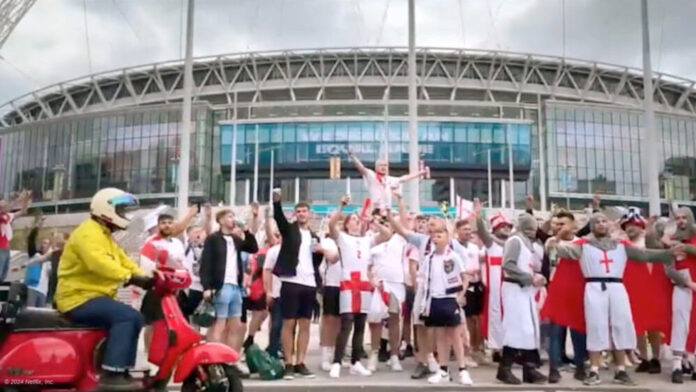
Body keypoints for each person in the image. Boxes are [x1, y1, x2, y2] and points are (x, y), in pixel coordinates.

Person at [547, 212, 682, 386]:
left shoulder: (621, 245)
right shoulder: (583, 245)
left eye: (604, 221)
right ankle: (594, 371)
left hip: (617, 288)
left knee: (621, 326)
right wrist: (555, 242)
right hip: (594, 288)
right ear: (592, 226)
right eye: (597, 222)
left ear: (609, 225)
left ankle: (621, 370)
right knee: (595, 326)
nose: (601, 224)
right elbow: (563, 251)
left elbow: (645, 255)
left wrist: (668, 253)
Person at [56, 188, 152, 391]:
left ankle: (123, 370)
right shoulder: (88, 233)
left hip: (92, 296)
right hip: (77, 298)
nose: (124, 215)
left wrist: (146, 275)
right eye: (121, 210)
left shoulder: (104, 235)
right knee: (128, 317)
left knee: (134, 317)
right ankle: (113, 374)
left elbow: (123, 259)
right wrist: (130, 277)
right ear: (107, 210)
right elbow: (98, 263)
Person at [389, 213, 474, 386]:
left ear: (445, 230)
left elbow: (465, 274)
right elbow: (402, 231)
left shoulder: (454, 250)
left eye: (434, 225)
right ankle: (432, 364)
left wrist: (460, 295)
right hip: (429, 295)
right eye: (429, 225)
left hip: (450, 297)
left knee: (455, 334)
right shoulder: (424, 247)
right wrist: (390, 216)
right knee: (430, 329)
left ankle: (462, 369)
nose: (430, 227)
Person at [272, 190, 326, 379]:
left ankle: (300, 362)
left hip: (309, 283)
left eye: (305, 211)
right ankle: (288, 362)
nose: (302, 214)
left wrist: (320, 252)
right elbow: (279, 218)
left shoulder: (315, 237)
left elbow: (317, 261)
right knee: (289, 323)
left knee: (305, 324)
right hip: (291, 281)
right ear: (295, 214)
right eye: (299, 211)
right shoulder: (289, 230)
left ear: (310, 214)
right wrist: (277, 202)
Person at [327, 195, 375, 378]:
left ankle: (356, 361)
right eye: (353, 219)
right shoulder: (343, 238)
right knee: (346, 322)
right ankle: (337, 362)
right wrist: (341, 205)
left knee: (361, 324)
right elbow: (332, 225)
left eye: (358, 220)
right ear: (347, 224)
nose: (357, 222)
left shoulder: (367, 239)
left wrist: (374, 222)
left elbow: (386, 235)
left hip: (363, 284)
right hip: (348, 283)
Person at [496, 214, 548, 385]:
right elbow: (508, 265)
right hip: (514, 289)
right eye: (532, 227)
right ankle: (504, 369)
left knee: (529, 330)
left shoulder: (527, 243)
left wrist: (535, 277)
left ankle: (529, 369)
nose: (534, 231)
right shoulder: (515, 241)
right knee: (515, 329)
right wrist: (529, 278)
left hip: (524, 290)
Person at [200, 208, 259, 355]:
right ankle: (214, 356)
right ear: (221, 220)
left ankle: (230, 357)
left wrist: (247, 231)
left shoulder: (235, 239)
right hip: (221, 285)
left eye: (233, 216)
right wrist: (207, 286)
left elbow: (253, 248)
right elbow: (206, 263)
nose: (233, 219)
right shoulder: (213, 239)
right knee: (219, 323)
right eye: (229, 216)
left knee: (236, 325)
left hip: (235, 286)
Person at [620, 208, 670, 375]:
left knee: (653, 326)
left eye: (633, 225)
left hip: (651, 288)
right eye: (627, 225)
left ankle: (655, 358)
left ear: (641, 226)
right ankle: (644, 358)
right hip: (632, 288)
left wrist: (650, 231)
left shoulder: (647, 242)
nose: (630, 228)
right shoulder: (623, 244)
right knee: (637, 326)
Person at [540, 211, 587, 383]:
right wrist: (557, 241)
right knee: (556, 331)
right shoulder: (551, 242)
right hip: (557, 288)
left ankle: (580, 366)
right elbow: (552, 259)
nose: (559, 228)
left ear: (573, 225)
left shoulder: (581, 243)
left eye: (563, 224)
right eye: (557, 224)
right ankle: (554, 369)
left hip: (577, 288)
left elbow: (575, 254)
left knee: (578, 331)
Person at [139, 213, 187, 351]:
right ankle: (149, 352)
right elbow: (146, 264)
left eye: (170, 222)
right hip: (156, 287)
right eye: (163, 223)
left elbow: (182, 265)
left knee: (173, 322)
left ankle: (167, 352)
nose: (167, 225)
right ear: (158, 226)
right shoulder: (152, 242)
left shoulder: (178, 243)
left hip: (175, 289)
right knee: (152, 322)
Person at [474, 199, 512, 361]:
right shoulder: (491, 244)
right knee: (495, 316)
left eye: (509, 226)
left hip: (511, 288)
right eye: (503, 226)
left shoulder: (513, 243)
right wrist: (478, 215)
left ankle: (509, 347)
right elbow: (482, 231)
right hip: (495, 288)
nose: (506, 229)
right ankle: (497, 348)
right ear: (495, 228)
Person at [663, 207, 696, 383]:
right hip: (683, 287)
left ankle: (692, 361)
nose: (681, 221)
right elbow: (669, 269)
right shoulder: (671, 241)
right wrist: (688, 283)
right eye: (678, 218)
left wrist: (680, 244)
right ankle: (676, 364)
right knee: (680, 324)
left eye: (684, 218)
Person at [348, 150, 427, 212]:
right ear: (376, 167)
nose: (384, 167)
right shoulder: (372, 176)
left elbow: (405, 178)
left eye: (385, 165)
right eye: (381, 165)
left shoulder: (390, 179)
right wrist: (353, 157)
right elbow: (362, 168)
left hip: (387, 211)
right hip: (375, 210)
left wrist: (420, 173)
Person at [453, 219, 484, 368]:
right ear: (457, 230)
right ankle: (464, 352)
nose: (468, 232)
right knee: (463, 320)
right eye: (464, 229)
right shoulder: (453, 246)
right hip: (461, 286)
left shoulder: (474, 247)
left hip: (476, 284)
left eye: (469, 229)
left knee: (474, 318)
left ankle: (474, 349)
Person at [318, 220, 341, 372]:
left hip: (346, 284)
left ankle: (335, 353)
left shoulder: (349, 241)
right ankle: (325, 354)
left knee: (340, 321)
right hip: (331, 284)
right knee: (329, 320)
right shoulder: (327, 241)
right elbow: (333, 258)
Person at [262, 214, 283, 359]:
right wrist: (268, 291)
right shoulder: (273, 251)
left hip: (291, 293)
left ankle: (285, 350)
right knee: (276, 324)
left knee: (289, 326)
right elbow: (267, 271)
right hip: (276, 293)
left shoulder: (296, 249)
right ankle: (273, 351)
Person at [0, 190, 31, 282]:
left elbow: (23, 212)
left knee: (3, 275)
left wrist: (25, 200)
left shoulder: (7, 216)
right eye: (2, 204)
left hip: (6, 249)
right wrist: (19, 199)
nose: (4, 206)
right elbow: (8, 207)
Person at [25, 215, 54, 307]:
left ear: (49, 246)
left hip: (43, 291)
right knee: (30, 313)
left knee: (40, 317)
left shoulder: (50, 259)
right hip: (33, 288)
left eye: (45, 243)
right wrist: (39, 224)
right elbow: (31, 239)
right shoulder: (35, 255)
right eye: (42, 242)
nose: (43, 245)